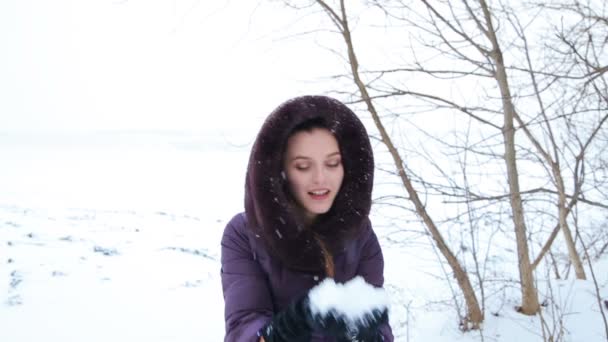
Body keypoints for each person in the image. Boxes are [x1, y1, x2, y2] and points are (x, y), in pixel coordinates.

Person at [221, 95, 393, 341]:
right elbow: (243, 329)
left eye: (333, 164)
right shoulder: (244, 234)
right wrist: (282, 332)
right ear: (280, 171)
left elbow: (379, 324)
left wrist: (370, 337)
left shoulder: (360, 234)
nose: (321, 179)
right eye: (303, 166)